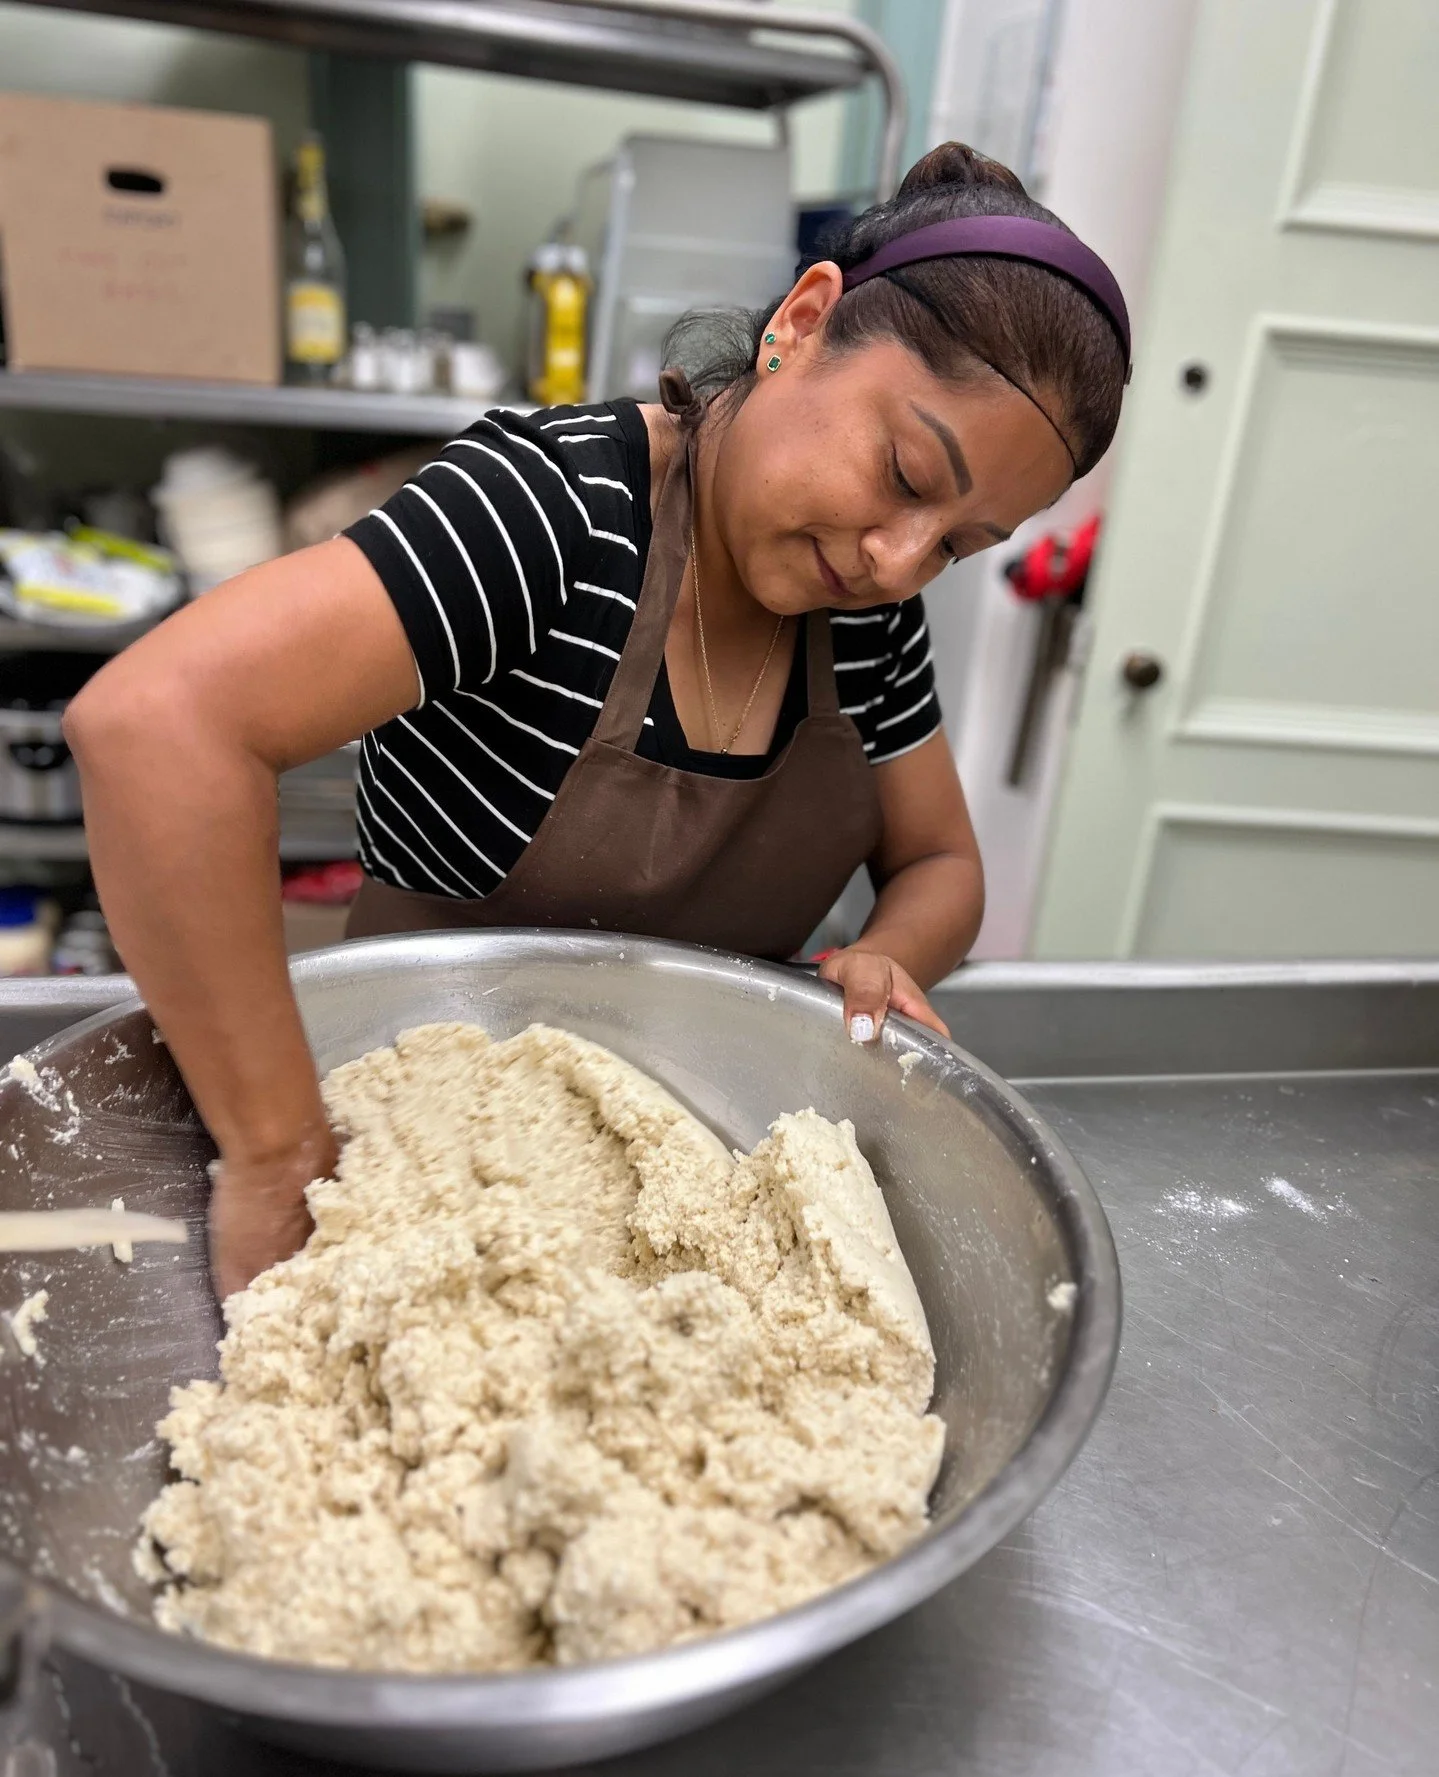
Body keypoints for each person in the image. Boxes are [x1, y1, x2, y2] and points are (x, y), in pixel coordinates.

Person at [65, 143, 1130, 1297]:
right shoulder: (548, 518)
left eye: (960, 547)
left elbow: (939, 862)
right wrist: (277, 1153)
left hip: (686, 1169)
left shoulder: (863, 618)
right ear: (803, 323)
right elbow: (158, 724)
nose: (897, 560)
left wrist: (884, 957)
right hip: (412, 1153)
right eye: (908, 473)